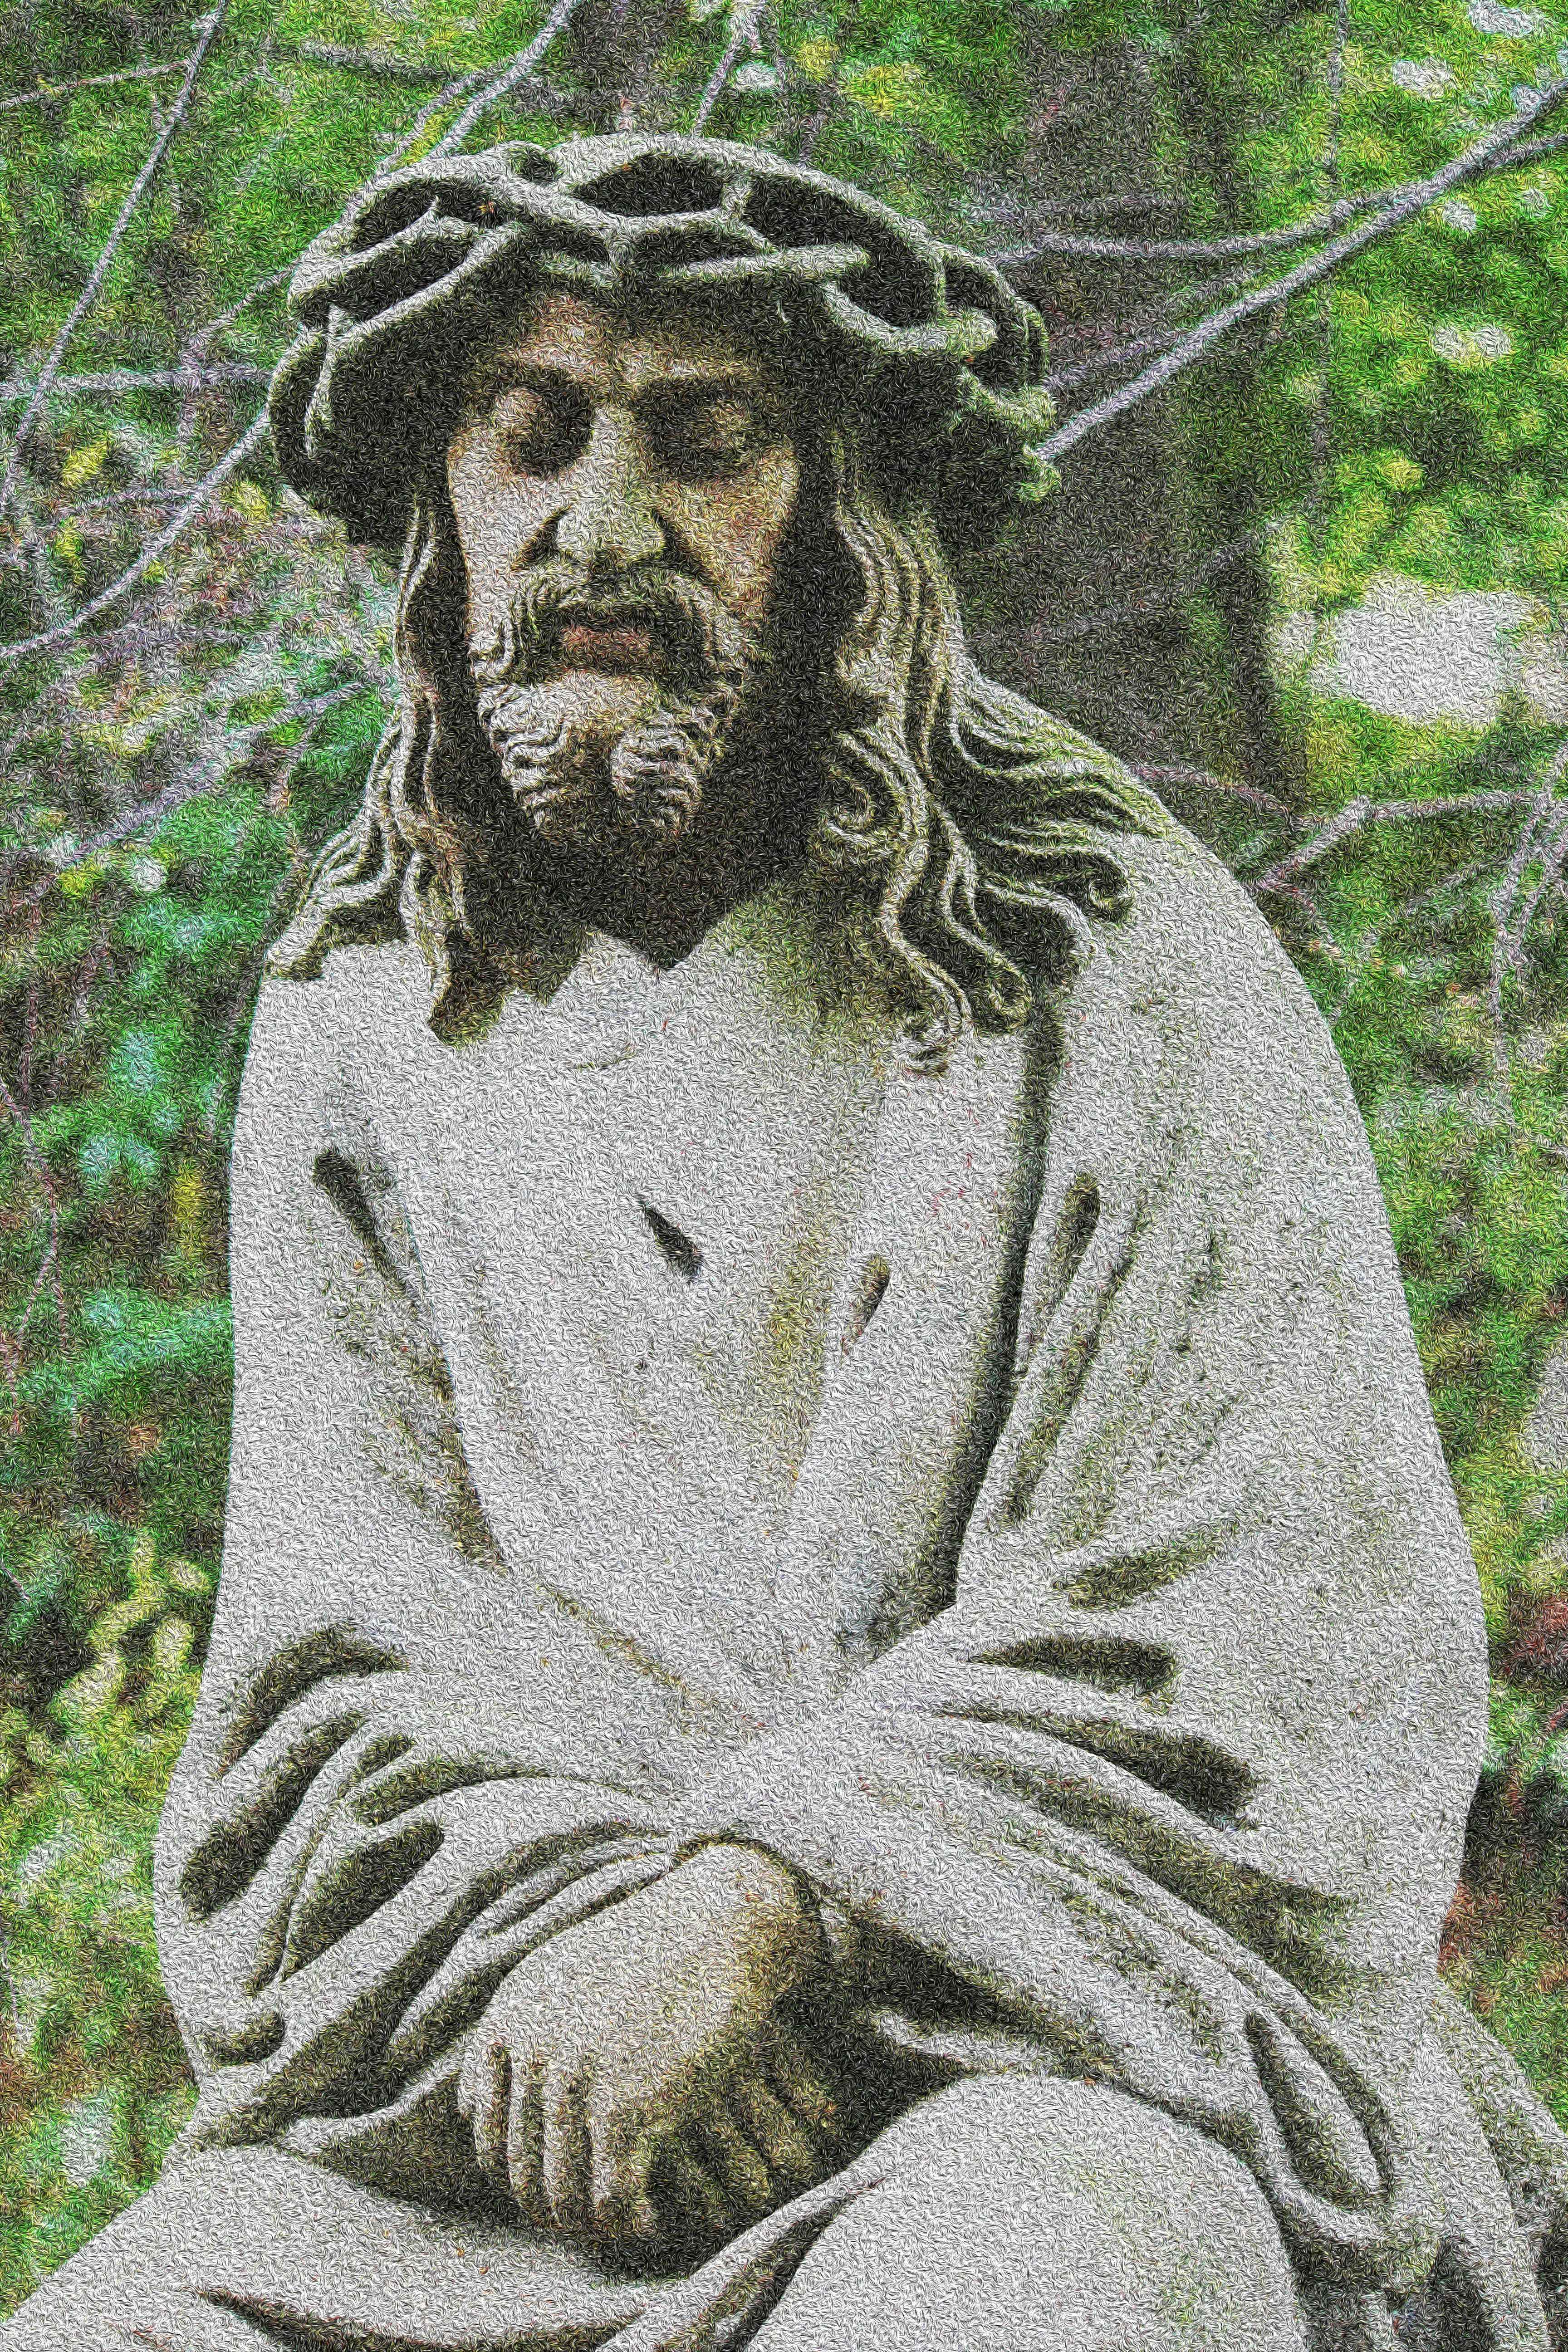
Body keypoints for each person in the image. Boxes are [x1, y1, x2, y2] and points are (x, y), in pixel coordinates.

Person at [6, 132, 1567, 2352]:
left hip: (1068, 2061)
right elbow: (325, 1699)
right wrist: (593, 1960)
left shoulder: (1108, 960)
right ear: (441, 510)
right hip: (513, 2102)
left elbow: (1278, 1624)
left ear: (839, 518)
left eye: (705, 443)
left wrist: (773, 1908)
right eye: (531, 437)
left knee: (1007, 2294)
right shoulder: (357, 1014)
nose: (605, 528)